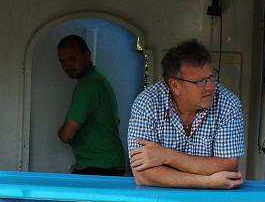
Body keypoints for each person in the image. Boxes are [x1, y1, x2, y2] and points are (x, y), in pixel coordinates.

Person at [126, 39, 244, 189]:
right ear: (175, 85)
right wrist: (207, 182)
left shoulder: (228, 104)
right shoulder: (147, 103)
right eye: (201, 81)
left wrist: (166, 156)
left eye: (211, 77)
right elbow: (143, 174)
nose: (211, 86)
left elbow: (228, 165)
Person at [56, 35, 126, 176]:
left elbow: (66, 135)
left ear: (87, 55)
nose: (67, 66)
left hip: (99, 166)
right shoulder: (99, 78)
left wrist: (61, 133)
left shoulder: (87, 86)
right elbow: (116, 120)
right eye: (62, 61)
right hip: (109, 163)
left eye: (72, 58)